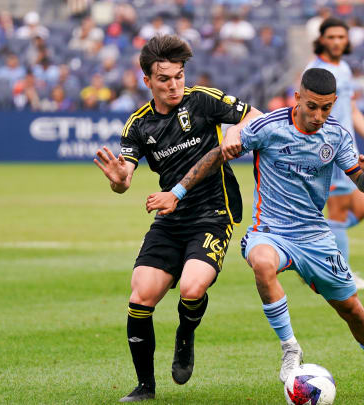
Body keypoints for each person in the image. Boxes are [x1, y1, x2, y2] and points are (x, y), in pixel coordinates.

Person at [145, 68, 364, 400]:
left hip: (315, 237)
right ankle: (290, 348)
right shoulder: (269, 127)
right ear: (298, 98)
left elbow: (362, 184)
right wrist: (177, 191)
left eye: (326, 108)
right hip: (270, 231)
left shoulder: (337, 136)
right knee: (262, 262)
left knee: (352, 310)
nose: (318, 115)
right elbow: (217, 154)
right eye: (312, 106)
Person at [92, 34, 261, 402]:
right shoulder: (138, 125)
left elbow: (255, 116)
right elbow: (125, 179)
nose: (174, 85)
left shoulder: (203, 99)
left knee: (191, 287)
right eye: (164, 79)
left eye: (179, 76)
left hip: (213, 212)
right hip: (170, 216)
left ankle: (185, 334)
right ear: (147, 81)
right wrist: (120, 181)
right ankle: (144, 388)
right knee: (141, 295)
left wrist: (236, 130)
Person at [304, 17, 364, 290]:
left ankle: (312, 249)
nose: (336, 42)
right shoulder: (316, 71)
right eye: (331, 37)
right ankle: (341, 276)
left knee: (360, 208)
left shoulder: (342, 68)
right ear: (321, 39)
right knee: (340, 211)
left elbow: (352, 111)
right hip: (327, 150)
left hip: (347, 149)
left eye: (341, 37)